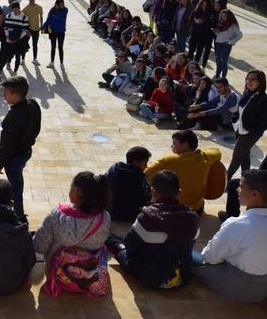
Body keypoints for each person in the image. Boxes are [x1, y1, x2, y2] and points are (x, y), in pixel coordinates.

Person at [108, 170, 199, 289]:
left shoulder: (147, 218)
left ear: (153, 192)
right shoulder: (192, 217)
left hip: (151, 278)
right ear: (179, 193)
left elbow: (131, 247)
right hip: (182, 277)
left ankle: (113, 242)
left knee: (117, 244)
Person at [194, 169, 267, 303]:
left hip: (237, 288)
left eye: (241, 186)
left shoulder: (237, 224)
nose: (237, 190)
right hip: (263, 288)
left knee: (189, 254)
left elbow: (210, 258)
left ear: (254, 194)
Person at [33, 172, 111, 292]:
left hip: (58, 274)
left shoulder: (57, 216)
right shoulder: (104, 217)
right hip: (89, 273)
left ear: (77, 191)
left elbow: (39, 247)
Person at [222, 70, 267, 219]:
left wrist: (250, 130)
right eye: (248, 79)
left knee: (236, 156)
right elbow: (240, 110)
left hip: (249, 133)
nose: (249, 81)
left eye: (253, 79)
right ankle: (245, 180)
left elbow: (264, 122)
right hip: (239, 130)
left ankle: (224, 183)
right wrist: (235, 120)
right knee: (244, 156)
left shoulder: (262, 99)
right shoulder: (248, 93)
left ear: (260, 82)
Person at [145, 129, 221, 215]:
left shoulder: (169, 160)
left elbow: (145, 174)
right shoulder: (206, 157)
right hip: (197, 209)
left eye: (174, 144)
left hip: (174, 211)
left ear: (185, 145)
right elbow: (217, 151)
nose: (171, 146)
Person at [0, 76, 41, 217]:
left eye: (6, 93)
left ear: (16, 96)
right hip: (26, 151)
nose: (3, 95)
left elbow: (6, 145)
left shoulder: (12, 117)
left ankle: (18, 215)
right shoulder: (33, 104)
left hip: (14, 157)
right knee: (18, 179)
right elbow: (36, 127)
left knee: (15, 186)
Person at [107, 147, 152, 222]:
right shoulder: (140, 178)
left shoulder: (114, 169)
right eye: (144, 163)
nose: (146, 166)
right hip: (129, 218)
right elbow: (147, 197)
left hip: (110, 213)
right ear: (135, 162)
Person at [0, 2, 30, 76]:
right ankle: (0, 70)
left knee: (17, 56)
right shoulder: (9, 16)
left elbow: (25, 30)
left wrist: (18, 38)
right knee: (5, 55)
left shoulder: (24, 17)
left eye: (17, 9)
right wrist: (7, 36)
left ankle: (15, 72)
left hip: (18, 40)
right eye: (14, 9)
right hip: (9, 39)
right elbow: (5, 27)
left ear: (19, 8)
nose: (15, 11)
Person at [213, 9, 243, 79]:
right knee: (218, 60)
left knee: (223, 61)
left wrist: (230, 42)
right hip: (218, 43)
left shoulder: (233, 26)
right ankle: (217, 75)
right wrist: (216, 32)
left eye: (225, 16)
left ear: (228, 17)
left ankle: (223, 77)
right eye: (222, 16)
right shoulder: (220, 24)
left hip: (226, 45)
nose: (223, 18)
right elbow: (220, 34)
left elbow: (240, 35)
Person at [188, 0, 215, 67]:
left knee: (199, 52)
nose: (204, 7)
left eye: (206, 6)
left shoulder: (210, 14)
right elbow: (190, 20)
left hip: (203, 36)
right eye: (203, 5)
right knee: (191, 50)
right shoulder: (196, 11)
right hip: (194, 34)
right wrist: (195, 22)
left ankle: (195, 66)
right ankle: (188, 65)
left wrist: (203, 22)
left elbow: (211, 25)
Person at [42, 0, 69, 69]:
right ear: (57, 4)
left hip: (61, 32)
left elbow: (61, 17)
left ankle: (61, 63)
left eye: (63, 4)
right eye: (61, 4)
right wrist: (43, 26)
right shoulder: (52, 10)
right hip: (53, 32)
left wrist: (56, 11)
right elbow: (48, 19)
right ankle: (52, 62)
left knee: (60, 47)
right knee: (53, 47)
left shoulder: (65, 10)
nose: (62, 6)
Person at [22, 0, 43, 66]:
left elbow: (41, 16)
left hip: (36, 29)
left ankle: (35, 59)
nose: (31, 0)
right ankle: (23, 59)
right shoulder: (26, 9)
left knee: (35, 44)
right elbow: (22, 17)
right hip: (28, 29)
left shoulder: (39, 7)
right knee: (24, 44)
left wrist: (41, 26)